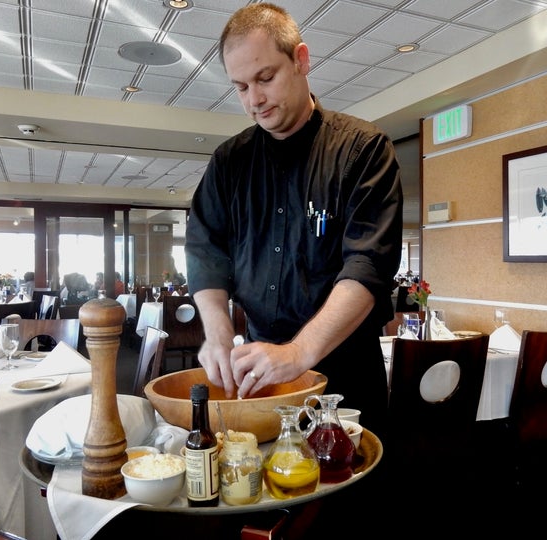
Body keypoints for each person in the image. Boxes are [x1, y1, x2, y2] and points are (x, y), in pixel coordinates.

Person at [184, 5, 402, 533]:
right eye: (240, 86)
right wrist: (217, 333)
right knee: (267, 510)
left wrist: (299, 353)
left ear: (301, 60)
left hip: (346, 379)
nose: (254, 99)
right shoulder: (230, 163)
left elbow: (367, 266)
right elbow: (204, 250)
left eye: (265, 77)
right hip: (261, 382)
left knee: (348, 517)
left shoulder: (363, 150)